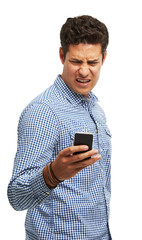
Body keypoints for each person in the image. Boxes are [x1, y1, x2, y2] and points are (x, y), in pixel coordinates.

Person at [8, 15, 112, 240]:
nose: (84, 72)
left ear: (103, 58)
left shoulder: (95, 109)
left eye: (92, 62)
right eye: (76, 62)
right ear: (62, 55)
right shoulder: (43, 112)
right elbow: (16, 196)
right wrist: (52, 174)